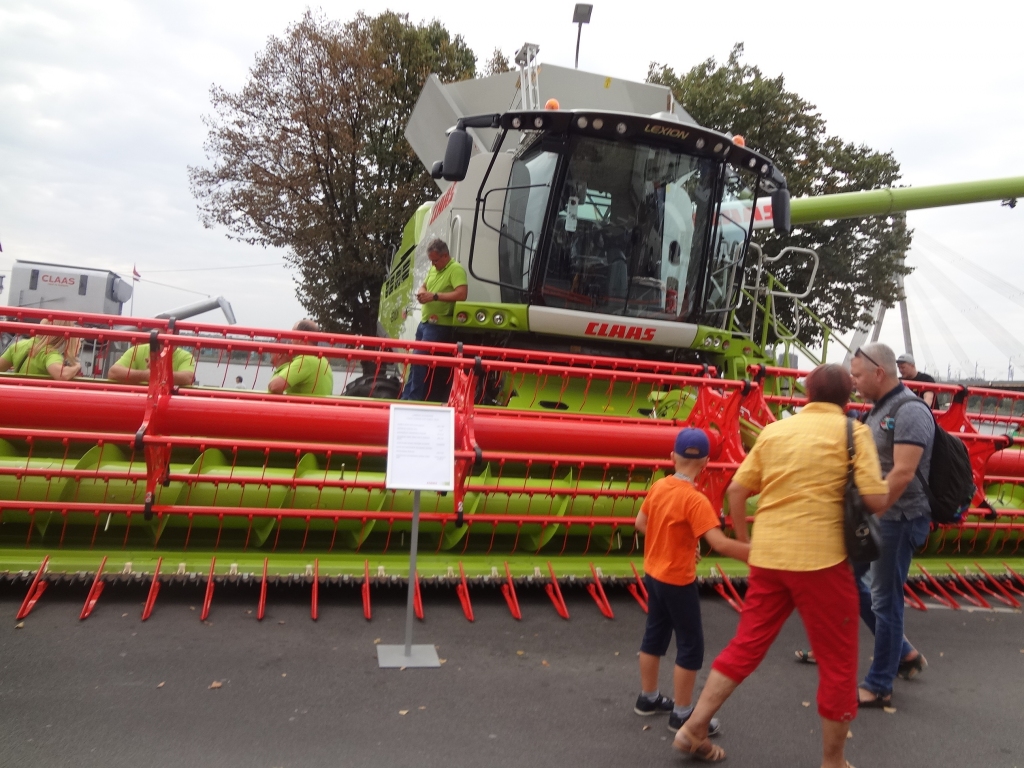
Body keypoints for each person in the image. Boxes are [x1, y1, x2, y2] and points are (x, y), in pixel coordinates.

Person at [673, 364, 889, 766]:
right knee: (839, 662)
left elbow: (737, 489)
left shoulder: (775, 432)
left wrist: (745, 541)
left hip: (770, 558)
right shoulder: (854, 433)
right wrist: (902, 481)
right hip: (822, 561)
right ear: (849, 398)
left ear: (805, 393)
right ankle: (833, 761)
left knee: (747, 644)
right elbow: (875, 501)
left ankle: (694, 726)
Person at [633, 428, 750, 736]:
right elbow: (721, 544)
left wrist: (678, 544)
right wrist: (756, 554)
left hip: (654, 574)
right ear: (707, 463)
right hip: (677, 580)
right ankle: (683, 715)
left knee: (654, 635)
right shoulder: (696, 500)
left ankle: (648, 697)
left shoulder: (659, 487)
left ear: (672, 457)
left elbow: (640, 523)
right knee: (690, 645)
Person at [850, 343, 934, 707]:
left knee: (886, 599)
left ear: (878, 373)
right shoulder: (878, 409)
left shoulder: (910, 410)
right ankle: (902, 652)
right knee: (853, 582)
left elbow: (902, 472)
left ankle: (881, 682)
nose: (854, 382)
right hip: (879, 515)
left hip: (899, 519)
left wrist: (874, 513)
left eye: (857, 375)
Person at [400, 238, 467, 402]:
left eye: (435, 261)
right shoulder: (435, 269)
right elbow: (424, 285)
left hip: (439, 325)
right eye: (431, 261)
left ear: (445, 256)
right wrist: (422, 292)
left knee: (419, 360)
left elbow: (462, 294)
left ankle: (413, 398)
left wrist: (434, 296)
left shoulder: (456, 269)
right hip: (425, 323)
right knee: (416, 360)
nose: (433, 264)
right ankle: (407, 396)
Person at [268, 319, 333, 397]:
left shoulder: (306, 360)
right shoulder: (321, 359)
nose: (291, 340)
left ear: (300, 339)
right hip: (319, 407)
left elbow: (274, 386)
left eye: (292, 336)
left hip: (306, 408)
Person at [0, 320, 81, 380]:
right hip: (36, 399)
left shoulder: (18, 345)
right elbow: (62, 375)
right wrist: (77, 367)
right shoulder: (50, 353)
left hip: (15, 395)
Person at [108, 343, 196, 386]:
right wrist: (146, 375)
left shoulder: (185, 356)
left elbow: (188, 378)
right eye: (161, 341)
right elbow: (113, 372)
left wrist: (159, 372)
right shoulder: (137, 350)